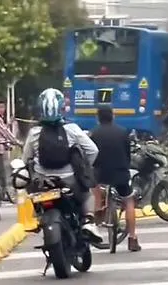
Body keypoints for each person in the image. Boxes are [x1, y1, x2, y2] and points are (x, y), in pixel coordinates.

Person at [21, 88, 102, 242]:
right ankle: (89, 222)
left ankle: (39, 217)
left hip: (42, 182)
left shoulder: (34, 133)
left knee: (36, 198)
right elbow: (93, 150)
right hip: (70, 181)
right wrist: (85, 167)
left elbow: (25, 159)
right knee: (87, 195)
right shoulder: (72, 130)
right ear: (61, 108)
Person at [90, 105, 141, 252]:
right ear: (113, 116)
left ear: (98, 118)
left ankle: (99, 207)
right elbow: (127, 154)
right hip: (120, 173)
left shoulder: (94, 133)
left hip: (101, 173)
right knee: (128, 200)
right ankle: (132, 238)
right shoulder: (123, 132)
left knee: (94, 183)